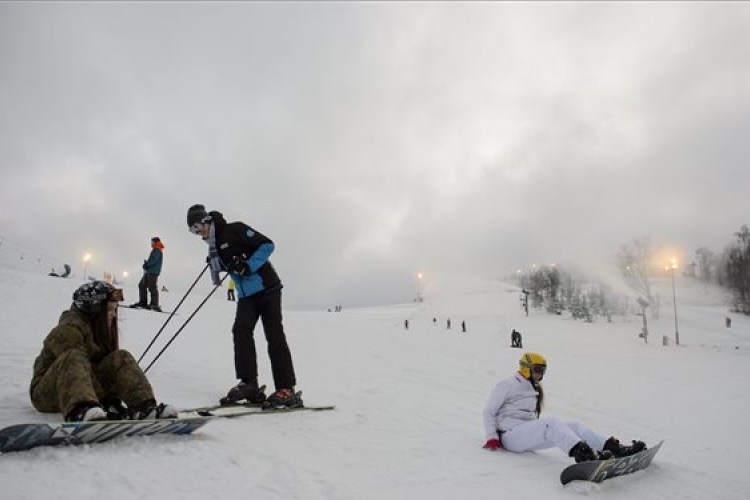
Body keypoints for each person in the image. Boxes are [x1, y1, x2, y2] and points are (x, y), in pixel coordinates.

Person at [186, 204, 301, 408]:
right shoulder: (213, 246)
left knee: (273, 334)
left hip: (267, 288)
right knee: (241, 330)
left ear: (206, 220)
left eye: (198, 226)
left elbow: (267, 245)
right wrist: (220, 265)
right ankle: (249, 383)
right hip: (247, 295)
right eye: (193, 231)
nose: (198, 232)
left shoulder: (235, 229)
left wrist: (248, 265)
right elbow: (231, 262)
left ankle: (286, 388)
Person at [30, 281, 177, 422]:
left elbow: (99, 370)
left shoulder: (98, 329)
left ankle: (144, 408)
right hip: (49, 393)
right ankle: (81, 410)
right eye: (110, 309)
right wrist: (106, 401)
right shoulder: (68, 329)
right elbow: (75, 368)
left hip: (85, 389)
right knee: (74, 356)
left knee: (121, 357)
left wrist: (113, 401)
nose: (114, 315)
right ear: (95, 310)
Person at [482, 352, 646, 462]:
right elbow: (489, 412)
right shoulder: (506, 385)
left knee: (574, 426)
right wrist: (492, 438)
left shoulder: (532, 388)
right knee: (551, 423)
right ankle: (585, 456)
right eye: (538, 370)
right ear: (526, 369)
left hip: (525, 433)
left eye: (543, 370)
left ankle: (614, 448)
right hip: (510, 436)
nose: (541, 374)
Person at [131, 236, 164, 312]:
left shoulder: (157, 249)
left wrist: (147, 264)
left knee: (152, 287)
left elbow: (154, 260)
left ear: (155, 242)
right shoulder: (156, 249)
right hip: (149, 271)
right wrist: (147, 264)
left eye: (152, 242)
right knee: (141, 285)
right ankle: (143, 302)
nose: (151, 243)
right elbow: (153, 260)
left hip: (153, 272)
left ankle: (154, 304)